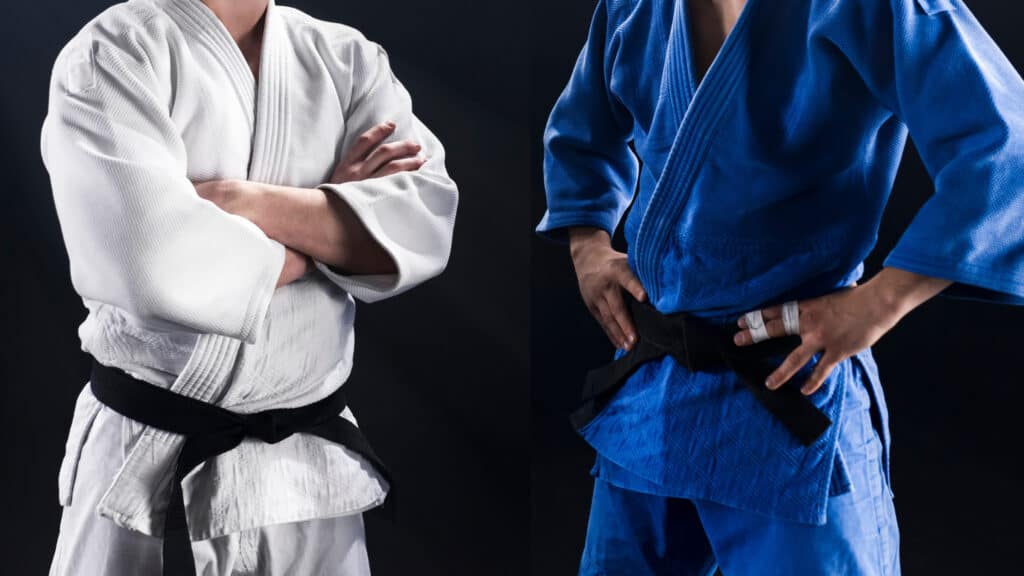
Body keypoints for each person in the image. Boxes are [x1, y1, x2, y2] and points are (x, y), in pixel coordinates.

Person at [537, 0, 1024, 574]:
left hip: (791, 401)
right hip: (655, 398)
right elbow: (582, 132)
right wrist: (587, 245)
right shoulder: (634, 7)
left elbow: (1007, 149)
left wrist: (879, 301)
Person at [41, 0, 458, 573]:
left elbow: (424, 221)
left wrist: (242, 203)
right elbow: (155, 262)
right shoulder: (114, 53)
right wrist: (330, 226)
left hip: (308, 480)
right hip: (145, 474)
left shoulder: (348, 59)